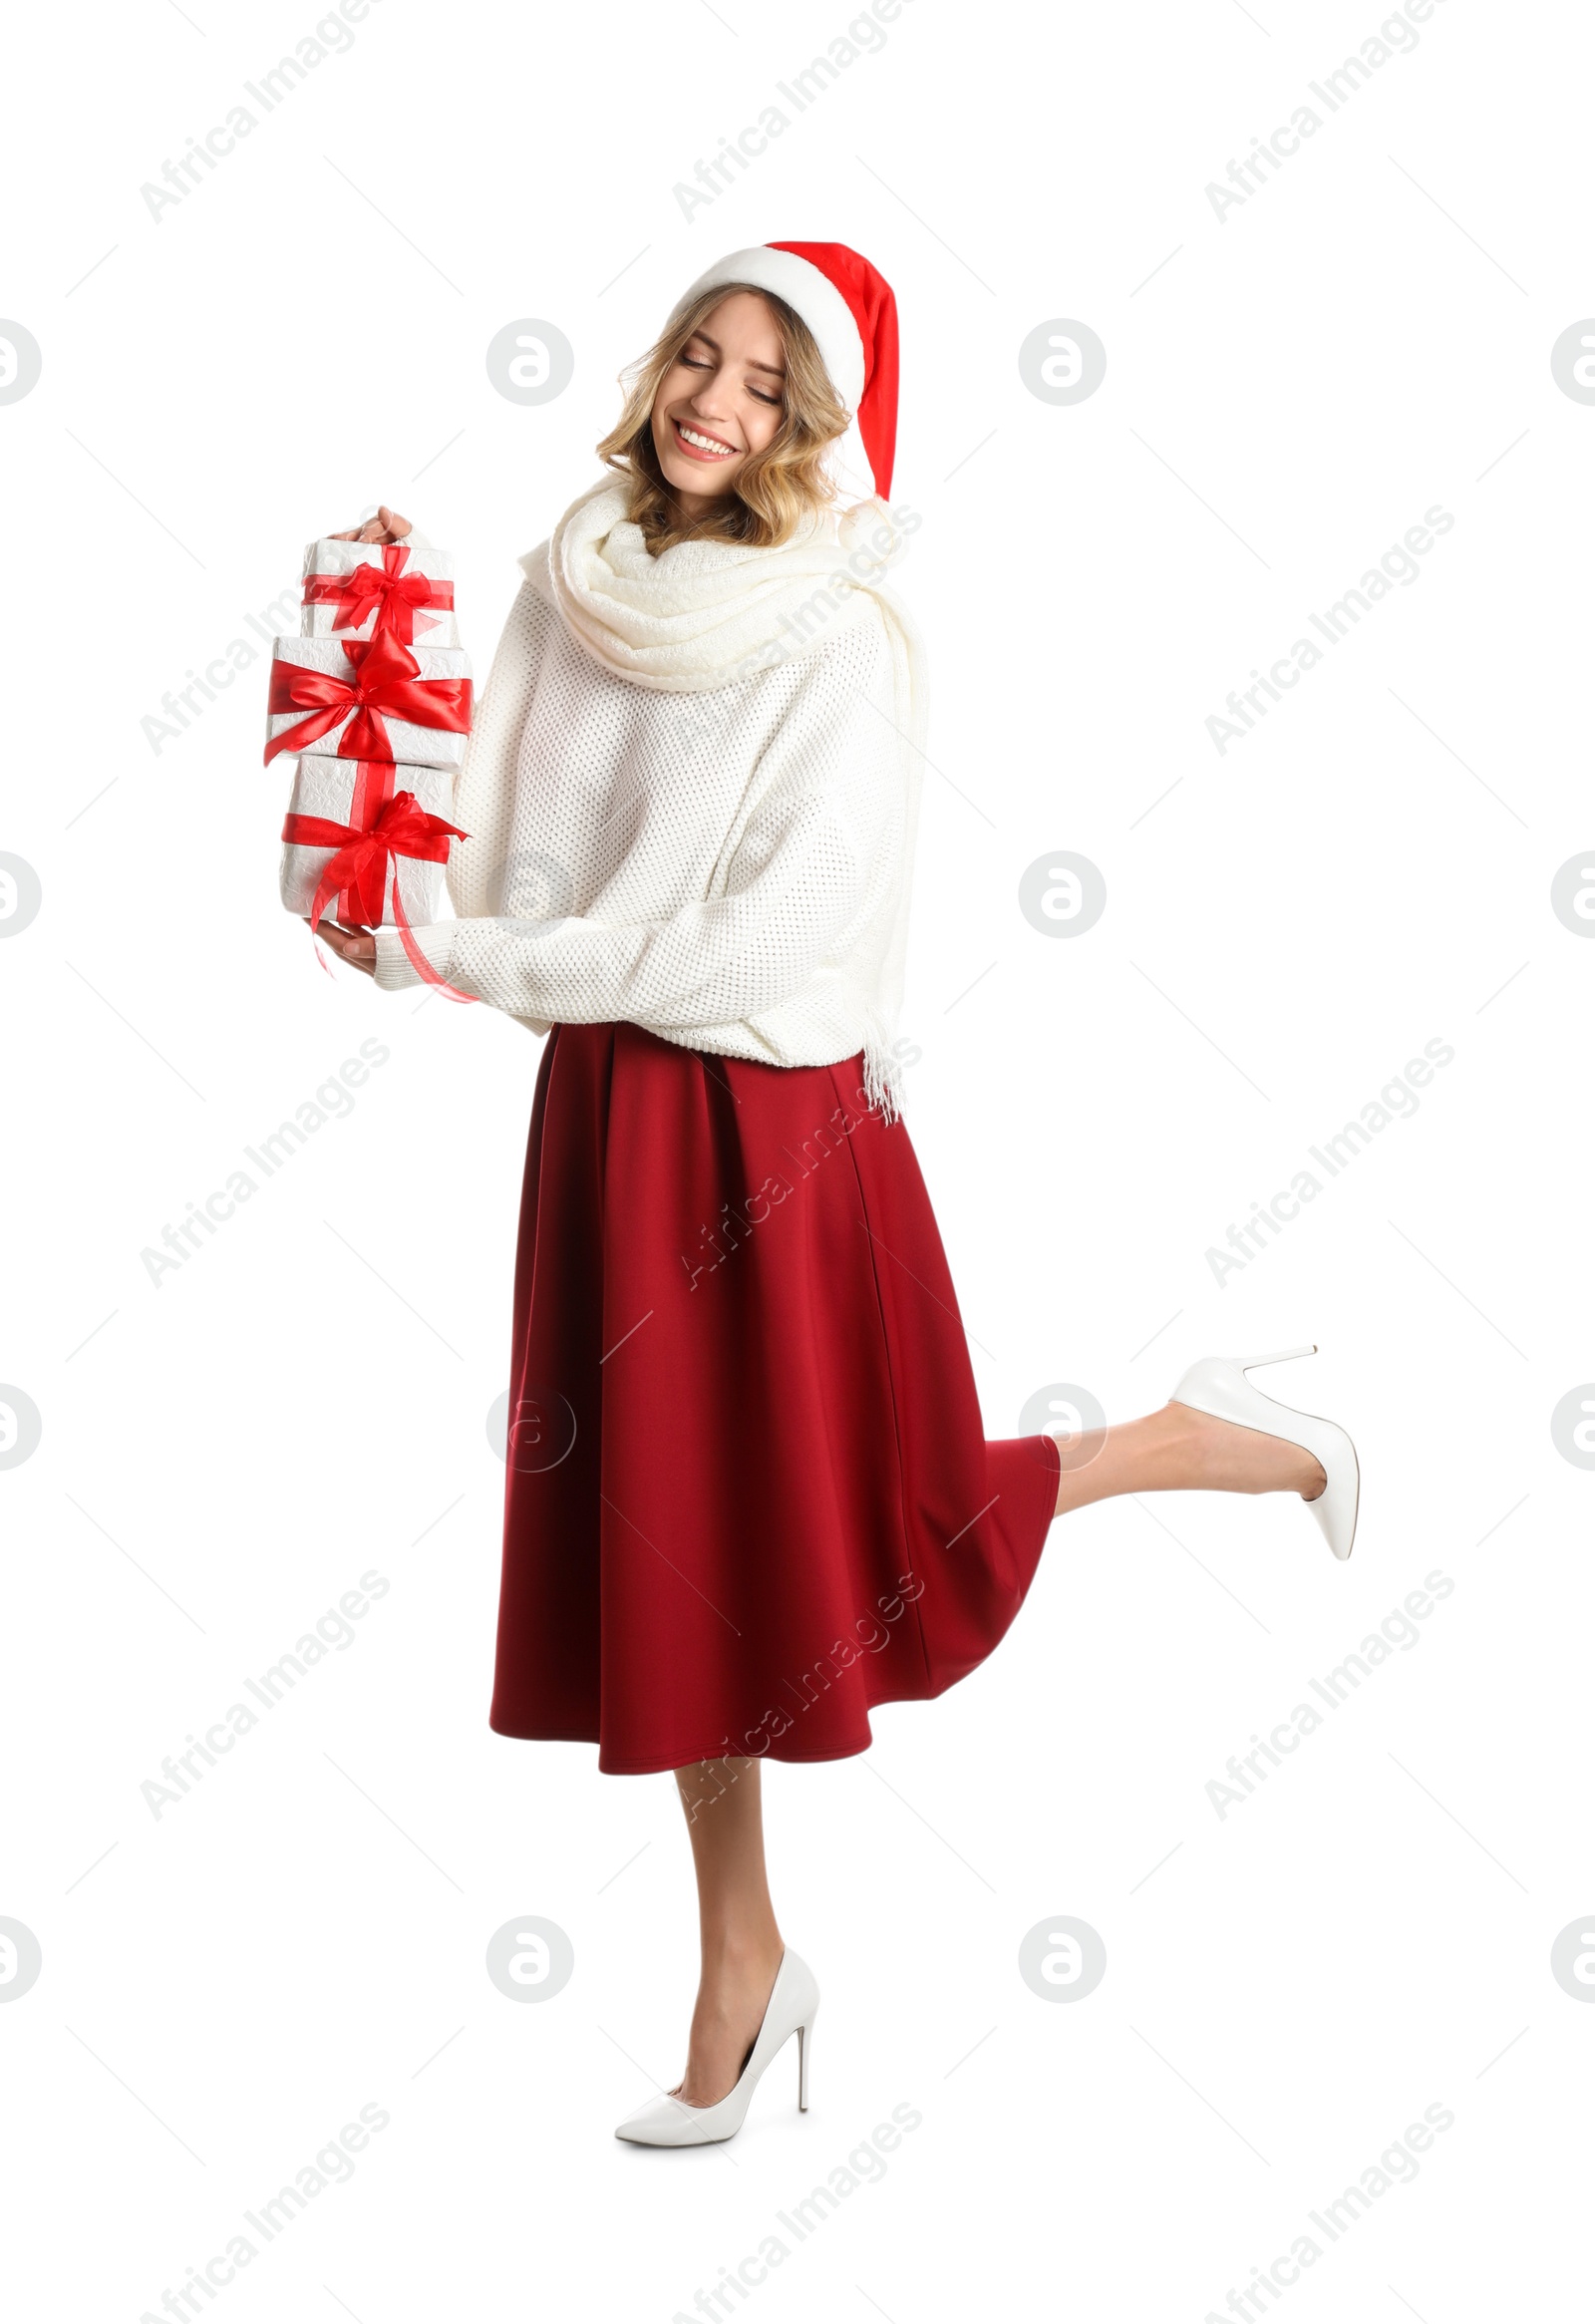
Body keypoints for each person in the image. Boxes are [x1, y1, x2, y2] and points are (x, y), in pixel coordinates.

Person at [310, 242, 1358, 2149]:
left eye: (767, 384)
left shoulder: (839, 635)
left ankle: (1225, 1432)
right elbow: (499, 859)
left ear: (820, 424)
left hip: (767, 1113)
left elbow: (776, 915)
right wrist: (387, 909)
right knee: (676, 1557)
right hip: (614, 1110)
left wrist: (508, 961)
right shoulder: (574, 589)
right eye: (697, 357)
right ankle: (744, 1960)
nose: (714, 401)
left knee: (894, 1517)